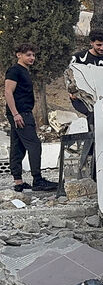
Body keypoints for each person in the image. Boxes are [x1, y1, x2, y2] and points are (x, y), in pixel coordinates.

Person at [4, 44, 58, 192]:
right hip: (20, 114)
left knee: (18, 146)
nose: (32, 58)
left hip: (23, 112)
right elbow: (8, 92)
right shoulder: (15, 70)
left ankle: (18, 182)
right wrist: (15, 114)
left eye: (33, 55)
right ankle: (38, 180)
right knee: (34, 144)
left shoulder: (24, 71)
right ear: (18, 55)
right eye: (28, 55)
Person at [69, 30, 103, 128]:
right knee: (94, 114)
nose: (102, 48)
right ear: (91, 43)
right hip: (83, 98)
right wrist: (71, 92)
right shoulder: (78, 58)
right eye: (98, 45)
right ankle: (93, 140)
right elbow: (68, 75)